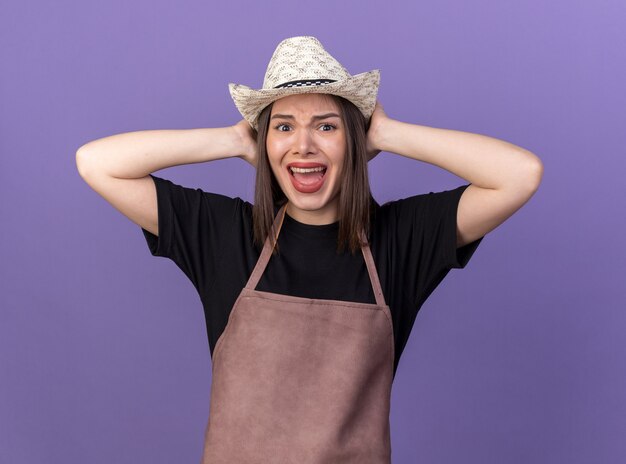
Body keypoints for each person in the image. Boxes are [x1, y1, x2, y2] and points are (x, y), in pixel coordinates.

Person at [76, 36, 543, 463]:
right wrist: (233, 139)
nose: (303, 146)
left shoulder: (400, 241)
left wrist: (384, 134)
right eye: (283, 127)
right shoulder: (225, 234)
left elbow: (519, 174)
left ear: (352, 140)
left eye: (326, 126)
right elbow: (97, 163)